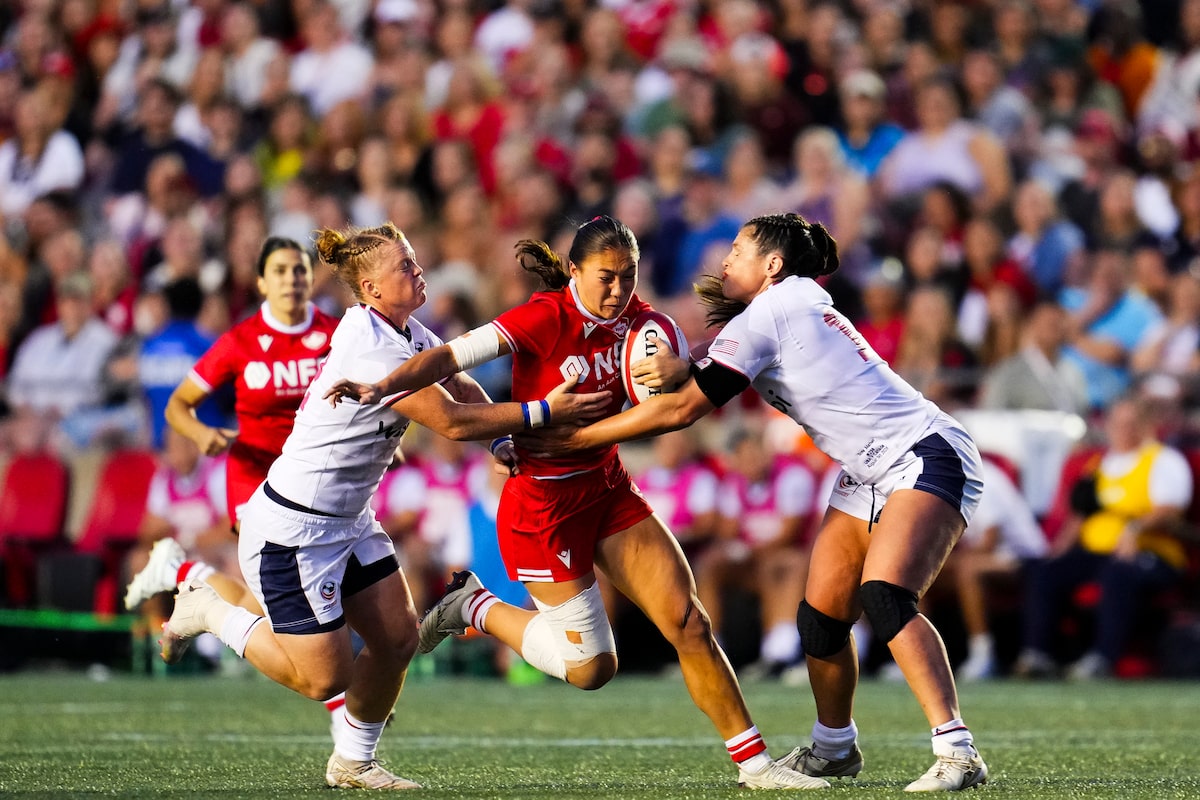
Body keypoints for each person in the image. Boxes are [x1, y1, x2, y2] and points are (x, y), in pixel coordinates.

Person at [324, 215, 828, 790]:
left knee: (689, 620)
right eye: (606, 278)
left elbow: (671, 400)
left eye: (629, 277)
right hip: (543, 507)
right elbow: (450, 359)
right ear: (573, 272)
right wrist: (383, 386)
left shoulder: (646, 326)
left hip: (608, 488)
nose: (618, 291)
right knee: (592, 670)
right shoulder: (541, 317)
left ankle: (756, 767)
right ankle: (473, 607)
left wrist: (681, 367)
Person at [531, 213, 990, 790]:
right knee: (821, 619)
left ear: (772, 265)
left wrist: (565, 437)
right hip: (871, 467)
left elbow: (680, 412)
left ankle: (958, 750)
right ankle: (834, 750)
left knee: (886, 596)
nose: (726, 260)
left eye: (739, 250)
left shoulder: (773, 312)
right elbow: (726, 354)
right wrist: (687, 360)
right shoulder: (784, 305)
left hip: (924, 452)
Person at [155, 222, 609, 789]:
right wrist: (542, 413)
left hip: (348, 521)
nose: (418, 271)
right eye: (405, 266)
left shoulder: (403, 330)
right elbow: (450, 420)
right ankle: (209, 611)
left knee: (397, 640)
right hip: (294, 529)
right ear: (370, 288)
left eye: (416, 260)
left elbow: (460, 388)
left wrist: (500, 440)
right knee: (325, 680)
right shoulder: (369, 347)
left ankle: (353, 762)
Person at [1013, 394, 1193, 680]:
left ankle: (1103, 658)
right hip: (1098, 552)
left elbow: (1169, 511)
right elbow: (1080, 514)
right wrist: (1057, 551)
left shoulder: (1163, 460)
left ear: (1145, 425)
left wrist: (1134, 529)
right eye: (1118, 423)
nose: (1124, 430)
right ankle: (1037, 655)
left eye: (1131, 423)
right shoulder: (1097, 465)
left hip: (1152, 553)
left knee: (1118, 573)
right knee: (1046, 571)